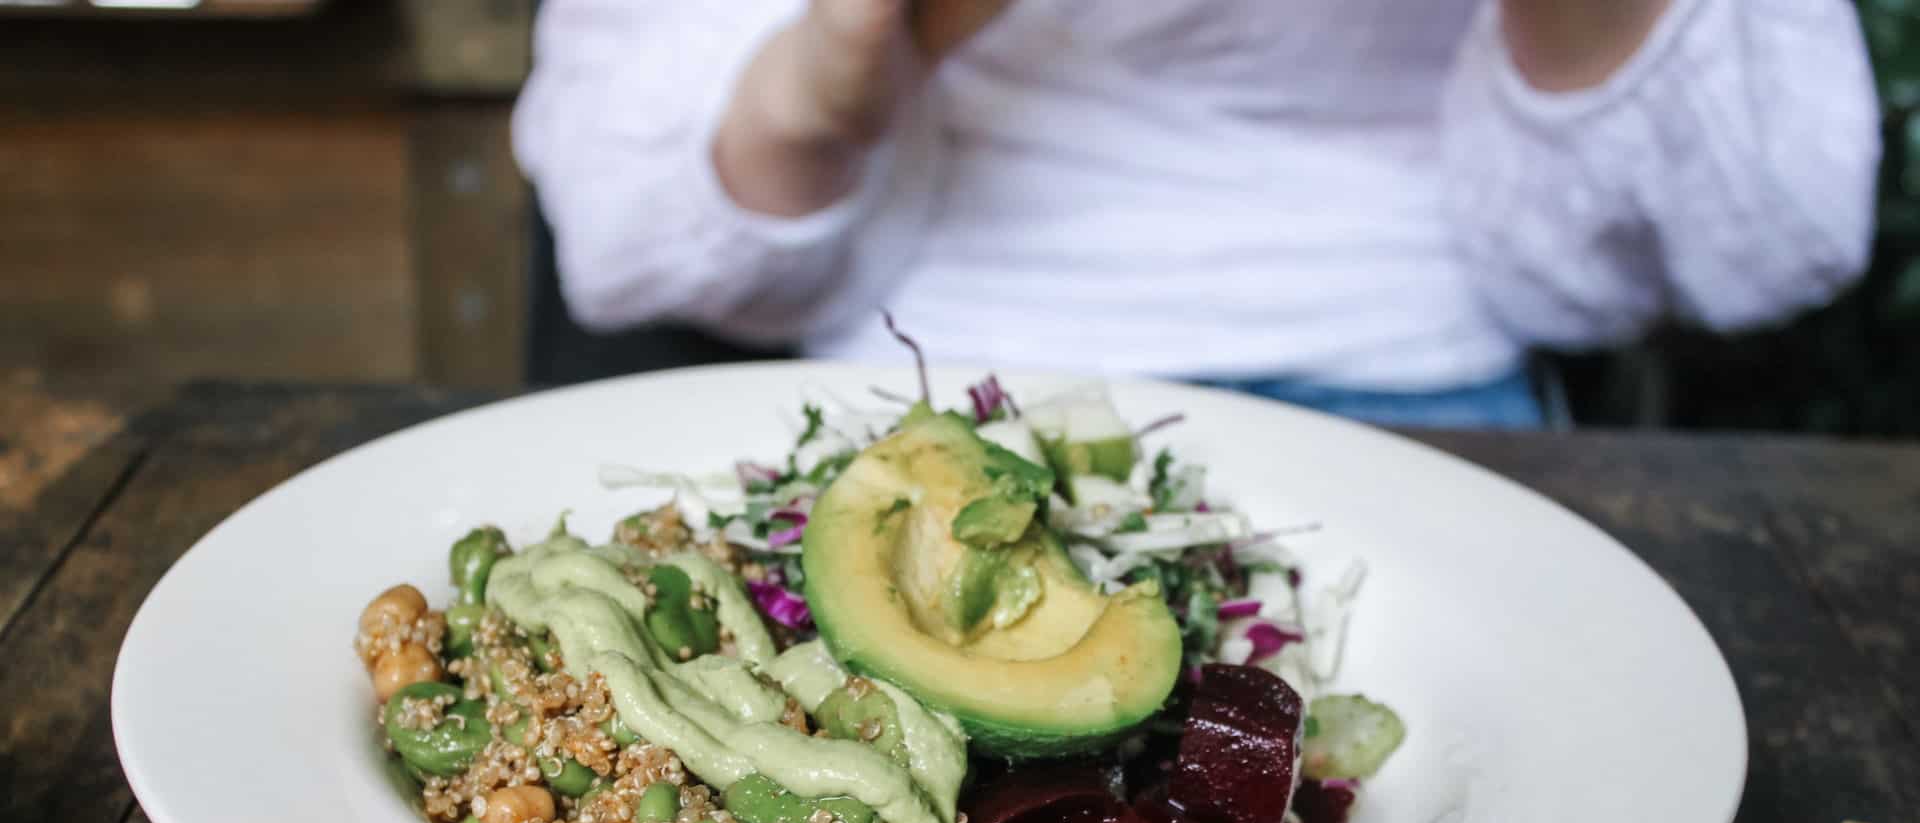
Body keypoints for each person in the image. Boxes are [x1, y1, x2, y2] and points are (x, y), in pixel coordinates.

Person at [513, 0, 1881, 428]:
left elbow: (1753, 242)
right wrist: (861, 42)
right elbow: (635, 241)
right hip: (936, 365)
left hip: (1420, 375)